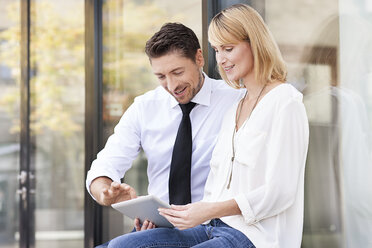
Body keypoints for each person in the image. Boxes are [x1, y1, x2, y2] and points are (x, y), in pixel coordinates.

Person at [105, 4, 309, 248]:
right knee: (122, 246)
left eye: (228, 49)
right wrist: (182, 216)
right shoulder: (236, 106)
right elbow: (216, 183)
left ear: (255, 43)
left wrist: (208, 210)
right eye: (217, 50)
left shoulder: (284, 101)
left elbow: (282, 191)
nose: (221, 60)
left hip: (255, 234)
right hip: (211, 227)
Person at [86, 22, 244, 246]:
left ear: (199, 58)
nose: (171, 86)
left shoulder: (235, 100)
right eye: (161, 76)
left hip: (212, 227)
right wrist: (106, 192)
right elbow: (105, 164)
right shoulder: (145, 107)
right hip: (156, 225)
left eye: (177, 72)